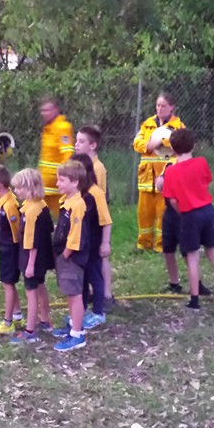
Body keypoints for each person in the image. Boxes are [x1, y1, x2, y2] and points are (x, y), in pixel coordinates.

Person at [160, 129, 214, 309]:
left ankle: (194, 299)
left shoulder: (171, 172)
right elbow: (206, 181)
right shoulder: (202, 162)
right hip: (208, 211)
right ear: (193, 145)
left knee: (193, 256)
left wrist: (183, 211)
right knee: (212, 250)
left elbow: (171, 200)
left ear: (172, 148)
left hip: (189, 215)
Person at [133, 92, 186, 251]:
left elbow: (181, 145)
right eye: (158, 105)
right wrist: (148, 145)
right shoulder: (147, 124)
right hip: (146, 177)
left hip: (166, 176)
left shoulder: (178, 126)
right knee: (144, 213)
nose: (159, 108)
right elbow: (137, 142)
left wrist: (161, 142)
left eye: (163, 106)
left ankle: (161, 245)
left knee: (163, 213)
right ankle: (144, 244)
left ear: (171, 107)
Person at [9, 169, 55, 344]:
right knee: (41, 286)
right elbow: (49, 229)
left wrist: (30, 265)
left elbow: (32, 241)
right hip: (43, 257)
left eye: (19, 188)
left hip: (32, 258)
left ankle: (30, 330)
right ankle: (45, 320)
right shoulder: (40, 205)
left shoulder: (31, 212)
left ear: (29, 187)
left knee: (31, 291)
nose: (16, 191)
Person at [51, 160, 91, 352]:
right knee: (69, 292)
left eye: (61, 180)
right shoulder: (67, 201)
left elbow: (76, 233)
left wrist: (66, 253)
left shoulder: (78, 204)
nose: (57, 184)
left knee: (75, 294)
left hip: (72, 258)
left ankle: (77, 335)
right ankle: (74, 325)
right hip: (63, 256)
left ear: (75, 182)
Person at [69, 153, 111, 329]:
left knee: (95, 276)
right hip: (81, 244)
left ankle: (99, 312)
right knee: (83, 277)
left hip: (94, 242)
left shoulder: (96, 193)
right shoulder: (78, 193)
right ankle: (83, 310)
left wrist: (105, 243)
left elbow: (106, 220)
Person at [75, 125, 115, 306]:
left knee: (100, 260)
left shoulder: (97, 168)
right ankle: (94, 293)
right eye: (76, 140)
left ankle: (106, 294)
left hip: (96, 222)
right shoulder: (79, 164)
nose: (76, 144)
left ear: (93, 145)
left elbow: (99, 197)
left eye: (81, 141)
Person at [0, 165, 24, 337]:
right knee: (7, 283)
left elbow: (17, 231)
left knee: (8, 284)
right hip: (4, 247)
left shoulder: (9, 205)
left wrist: (16, 251)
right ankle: (17, 316)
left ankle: (7, 323)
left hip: (11, 248)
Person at [38, 97, 76, 214]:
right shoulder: (47, 128)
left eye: (48, 110)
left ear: (56, 110)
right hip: (44, 179)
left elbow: (68, 152)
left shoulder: (63, 127)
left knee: (61, 211)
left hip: (56, 180)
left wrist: (62, 173)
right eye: (42, 110)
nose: (44, 113)